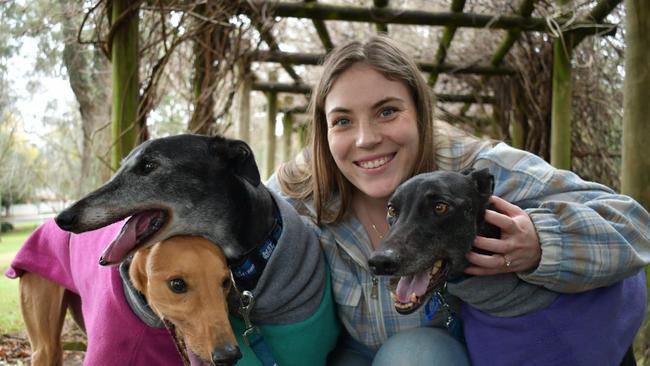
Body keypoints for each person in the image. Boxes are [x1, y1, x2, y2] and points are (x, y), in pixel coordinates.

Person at [267, 34, 650, 365]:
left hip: (436, 356)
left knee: (416, 356)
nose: (366, 139)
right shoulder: (302, 190)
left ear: (420, 113)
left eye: (387, 111)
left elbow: (633, 225)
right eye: (343, 120)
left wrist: (540, 243)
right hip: (349, 353)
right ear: (324, 131)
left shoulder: (475, 171)